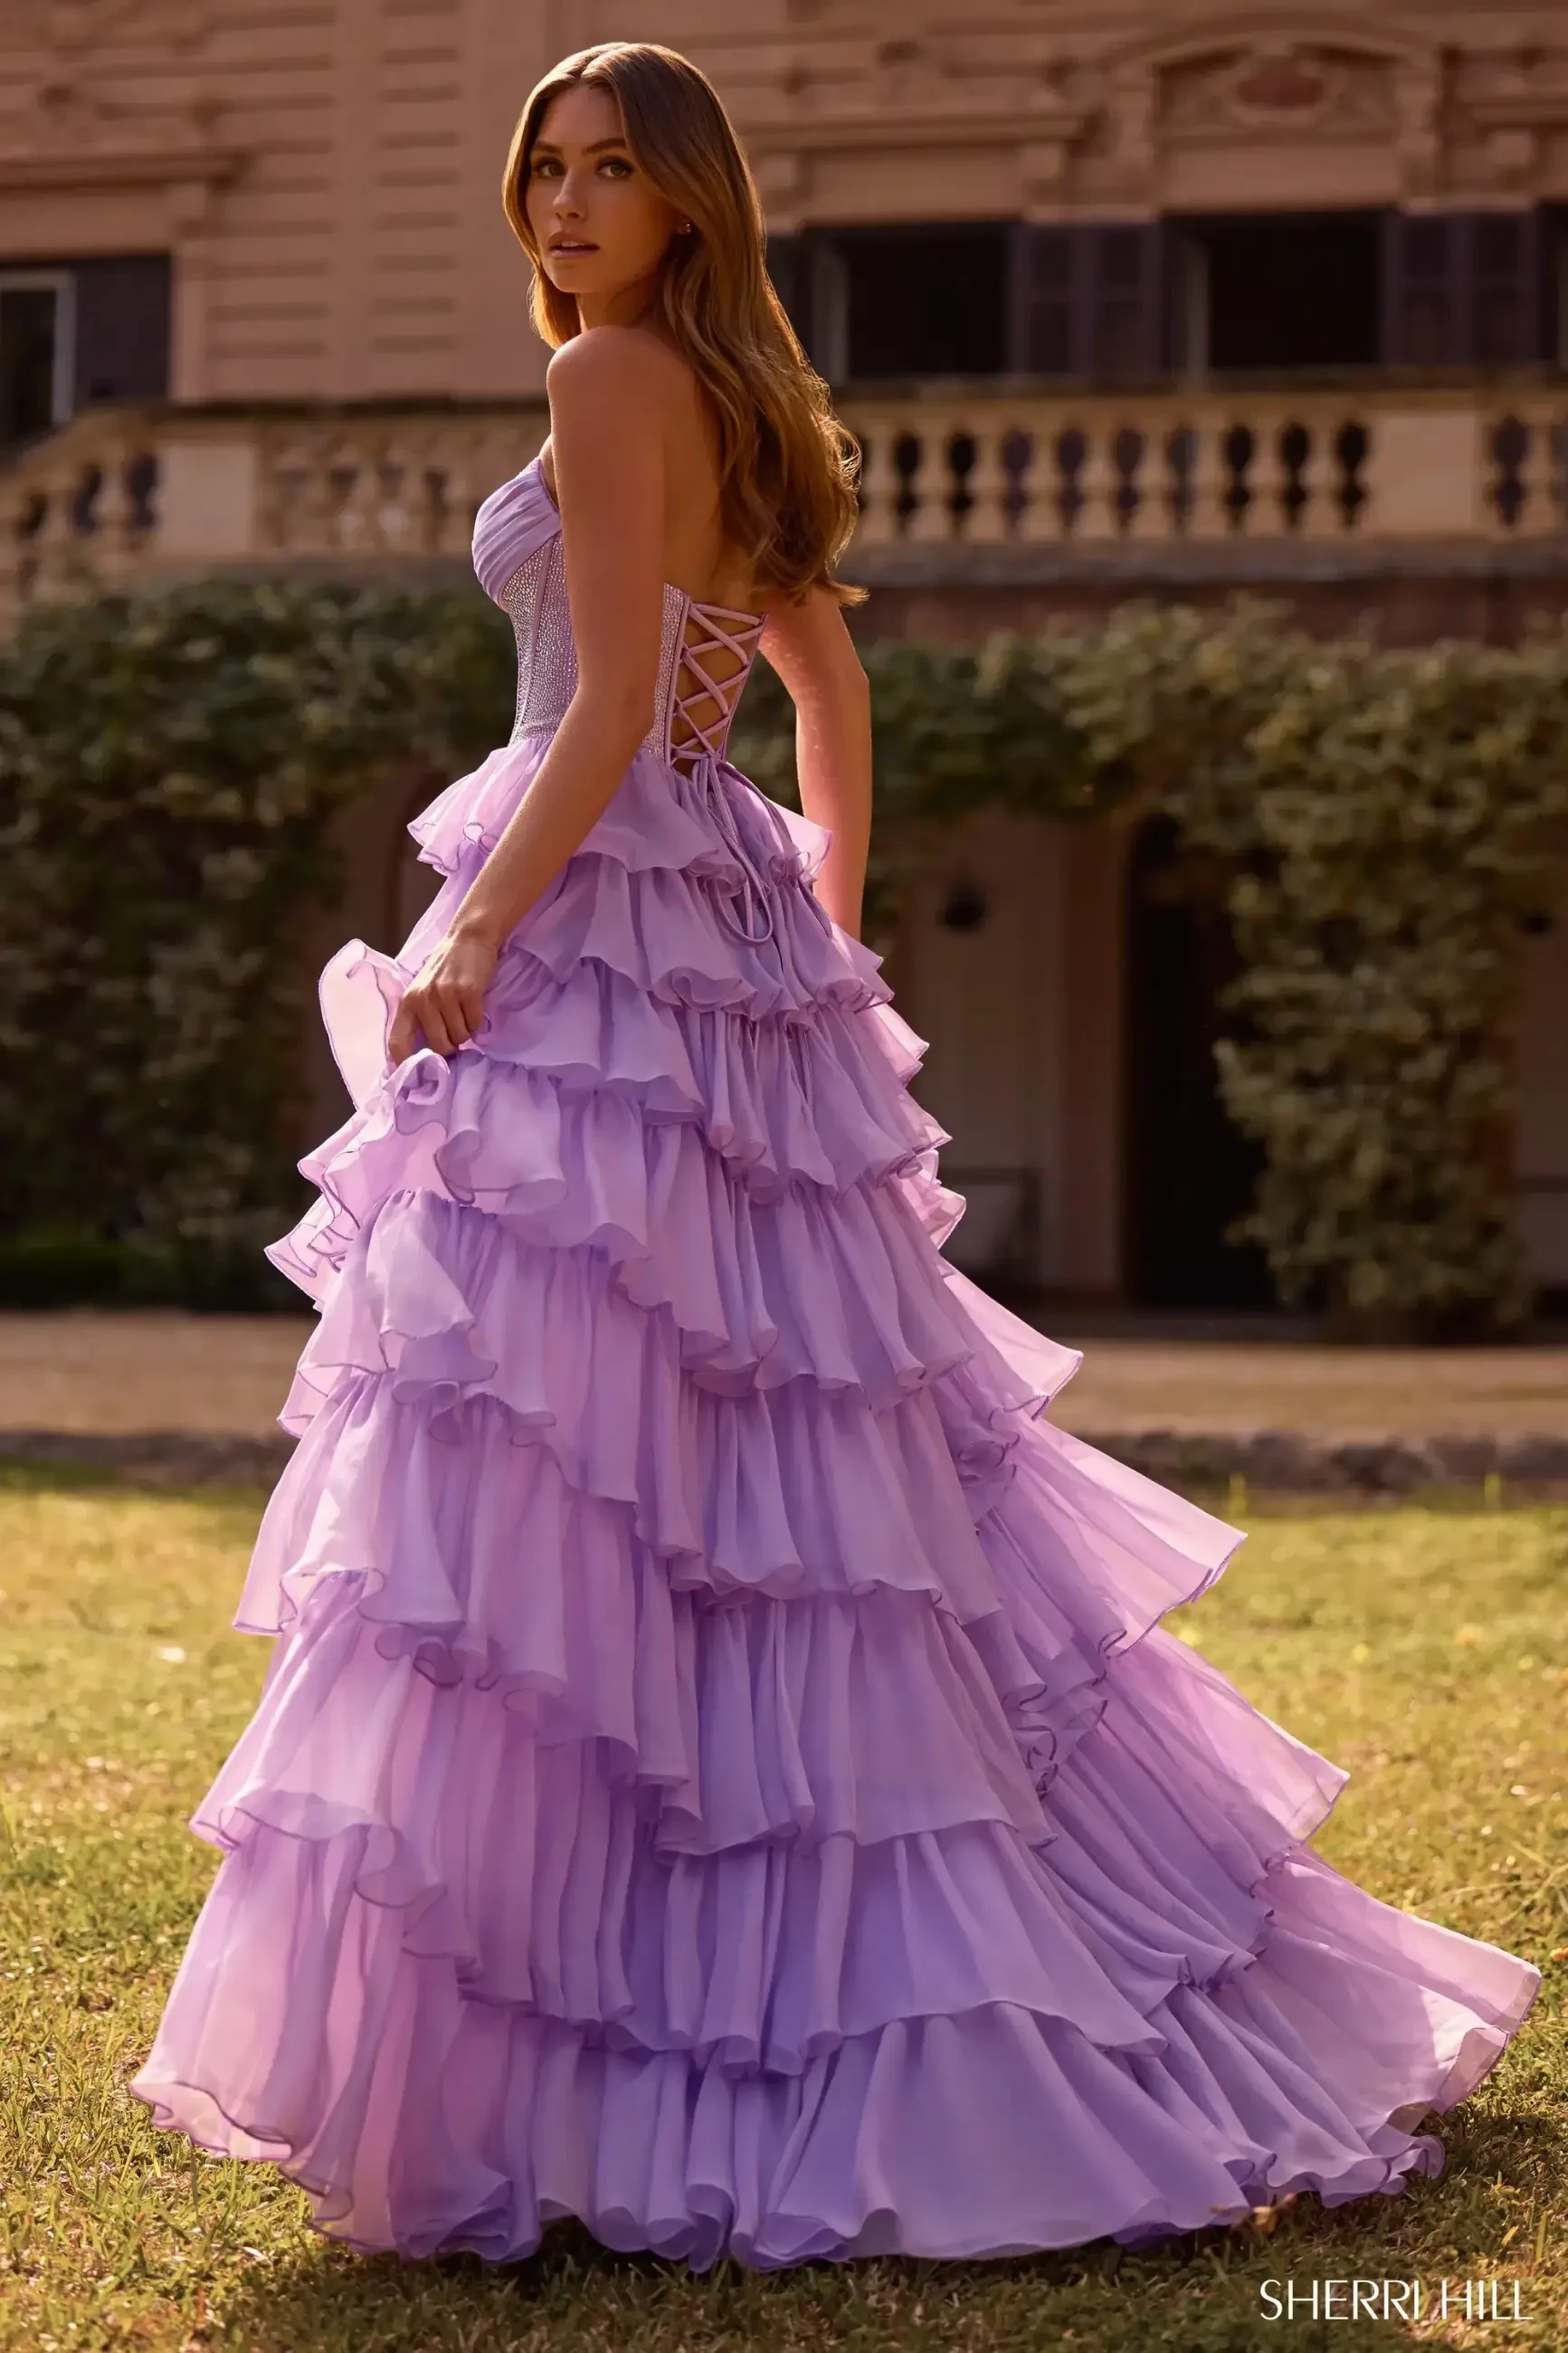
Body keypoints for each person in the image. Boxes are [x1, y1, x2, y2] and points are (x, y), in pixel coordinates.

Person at [130, 42, 1538, 2271]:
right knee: (784, 1479)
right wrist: (826, 911)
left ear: (689, 198)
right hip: (713, 931)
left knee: (562, 1459)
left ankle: (618, 2036)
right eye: (550, 169)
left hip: (598, 928)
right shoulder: (727, 389)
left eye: (613, 172)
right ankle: (760, 1982)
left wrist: (479, 927)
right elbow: (811, 675)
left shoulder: (613, 383)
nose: (569, 206)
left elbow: (601, 699)